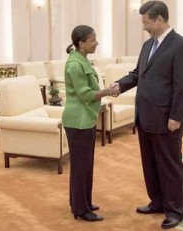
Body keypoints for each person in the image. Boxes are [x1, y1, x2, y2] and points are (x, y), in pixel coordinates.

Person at [111, 0, 183, 229]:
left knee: (170, 165)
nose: (144, 27)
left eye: (147, 22)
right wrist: (120, 84)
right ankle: (157, 202)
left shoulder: (182, 46)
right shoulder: (148, 45)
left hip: (167, 119)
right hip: (145, 116)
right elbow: (138, 73)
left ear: (159, 19)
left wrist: (176, 117)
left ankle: (175, 210)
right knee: (150, 163)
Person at [62, 25, 118, 222]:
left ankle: (83, 201)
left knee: (86, 165)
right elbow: (85, 95)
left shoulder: (81, 59)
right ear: (81, 43)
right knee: (80, 166)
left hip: (85, 119)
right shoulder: (75, 65)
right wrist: (108, 91)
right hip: (78, 121)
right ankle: (81, 209)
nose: (97, 43)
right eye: (93, 40)